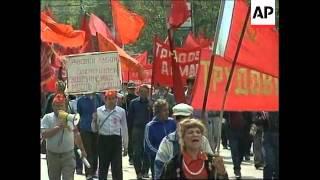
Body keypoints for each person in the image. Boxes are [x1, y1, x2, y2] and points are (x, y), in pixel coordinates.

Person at [154, 103, 213, 180]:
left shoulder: (203, 140)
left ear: (191, 117)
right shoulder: (167, 141)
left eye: (185, 117)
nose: (182, 120)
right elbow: (159, 167)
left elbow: (211, 164)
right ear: (174, 118)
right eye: (179, 117)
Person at [161, 118, 228, 179]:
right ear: (183, 138)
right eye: (190, 132)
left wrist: (222, 173)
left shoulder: (212, 161)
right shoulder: (172, 165)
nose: (195, 134)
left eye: (198, 132)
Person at [41, 93, 87, 180]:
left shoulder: (70, 118)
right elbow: (44, 134)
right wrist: (58, 128)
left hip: (68, 155)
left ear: (65, 106)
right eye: (57, 106)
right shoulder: (47, 118)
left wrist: (82, 149)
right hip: (52, 156)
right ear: (53, 106)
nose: (59, 108)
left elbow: (76, 134)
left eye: (61, 106)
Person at [91, 89, 128, 180]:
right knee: (103, 167)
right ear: (105, 99)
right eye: (109, 99)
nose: (111, 101)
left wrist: (126, 145)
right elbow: (94, 129)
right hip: (103, 140)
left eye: (113, 98)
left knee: (117, 167)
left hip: (116, 141)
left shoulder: (121, 111)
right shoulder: (99, 111)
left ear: (116, 99)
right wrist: (94, 120)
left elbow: (124, 128)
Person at [144, 99, 176, 179]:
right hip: (157, 161)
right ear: (157, 112)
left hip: (172, 160)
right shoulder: (150, 126)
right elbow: (148, 146)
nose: (167, 112)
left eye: (168, 110)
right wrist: (161, 154)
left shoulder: (172, 122)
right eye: (164, 110)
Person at [128, 84, 152, 179]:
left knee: (147, 152)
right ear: (138, 92)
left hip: (148, 130)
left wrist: (152, 108)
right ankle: (138, 172)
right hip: (137, 130)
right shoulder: (133, 103)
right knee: (136, 152)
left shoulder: (151, 103)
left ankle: (145, 170)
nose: (143, 94)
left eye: (146, 92)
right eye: (142, 92)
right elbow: (130, 117)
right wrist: (130, 131)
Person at [77, 93, 99, 179]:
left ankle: (93, 171)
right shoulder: (81, 100)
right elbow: (79, 114)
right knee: (87, 151)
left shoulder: (98, 98)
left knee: (95, 151)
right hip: (85, 128)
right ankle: (88, 173)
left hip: (96, 128)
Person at [226, 112, 250, 179]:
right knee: (234, 151)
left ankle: (238, 164)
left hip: (243, 131)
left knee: (241, 152)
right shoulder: (230, 106)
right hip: (232, 131)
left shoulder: (246, 106)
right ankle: (237, 169)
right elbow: (225, 115)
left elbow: (250, 117)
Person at [122, 82, 138, 165]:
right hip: (127, 121)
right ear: (127, 89)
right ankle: (131, 156)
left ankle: (136, 156)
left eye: (133, 89)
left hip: (135, 121)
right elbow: (121, 109)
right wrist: (123, 103)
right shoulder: (124, 98)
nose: (132, 90)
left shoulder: (137, 98)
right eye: (130, 89)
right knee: (130, 139)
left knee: (136, 140)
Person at [260, 111, 279, 179]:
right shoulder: (265, 105)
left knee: (277, 163)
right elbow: (256, 119)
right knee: (269, 162)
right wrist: (262, 118)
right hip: (268, 135)